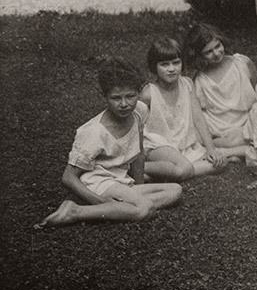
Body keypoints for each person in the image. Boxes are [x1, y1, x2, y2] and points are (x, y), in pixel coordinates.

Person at [36, 57, 183, 228]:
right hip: (99, 181)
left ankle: (119, 207)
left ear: (139, 92)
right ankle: (75, 211)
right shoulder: (94, 132)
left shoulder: (140, 111)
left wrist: (137, 188)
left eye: (130, 96)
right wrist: (99, 200)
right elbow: (68, 177)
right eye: (116, 98)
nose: (124, 104)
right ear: (105, 96)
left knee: (175, 191)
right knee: (145, 209)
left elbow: (139, 153)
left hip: (120, 179)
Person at [140, 36, 232, 180]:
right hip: (158, 145)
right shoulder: (149, 93)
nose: (171, 69)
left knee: (220, 163)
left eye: (176, 63)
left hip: (185, 144)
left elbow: (198, 118)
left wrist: (211, 148)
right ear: (154, 66)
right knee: (186, 168)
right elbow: (135, 127)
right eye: (164, 64)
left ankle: (159, 174)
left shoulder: (187, 84)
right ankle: (141, 168)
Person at [186, 23, 257, 151]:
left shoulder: (242, 63)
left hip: (247, 120)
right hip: (219, 127)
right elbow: (199, 113)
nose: (216, 53)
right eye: (208, 52)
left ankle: (229, 151)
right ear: (199, 55)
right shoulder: (200, 80)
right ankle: (234, 149)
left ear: (222, 41)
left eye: (218, 46)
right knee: (196, 135)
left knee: (253, 132)